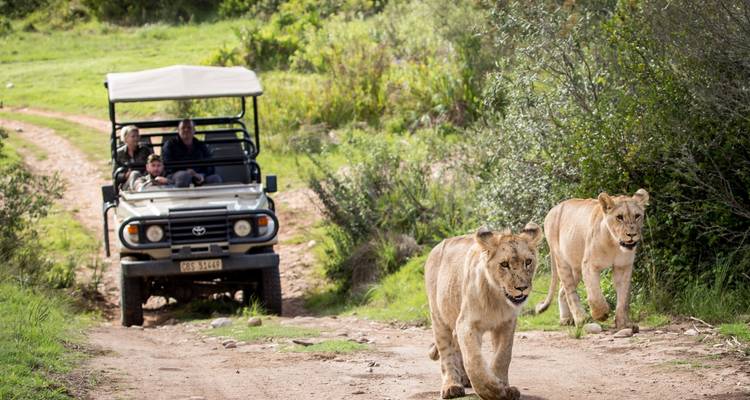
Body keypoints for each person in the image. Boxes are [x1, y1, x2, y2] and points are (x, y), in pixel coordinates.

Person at [161, 119, 222, 188]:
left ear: (194, 130)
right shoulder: (170, 145)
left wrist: (202, 175)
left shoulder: (201, 145)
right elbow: (167, 165)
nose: (186, 130)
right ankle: (183, 198)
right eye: (183, 128)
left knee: (215, 178)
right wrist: (187, 171)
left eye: (189, 128)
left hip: (198, 175)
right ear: (178, 130)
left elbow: (210, 165)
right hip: (176, 175)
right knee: (184, 176)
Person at [116, 125, 152, 189]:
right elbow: (116, 174)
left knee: (137, 176)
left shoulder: (144, 150)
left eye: (137, 136)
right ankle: (137, 191)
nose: (136, 139)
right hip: (127, 184)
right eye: (133, 136)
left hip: (144, 180)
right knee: (134, 174)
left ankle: (139, 189)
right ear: (125, 138)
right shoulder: (119, 153)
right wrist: (125, 175)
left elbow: (151, 165)